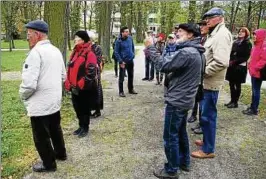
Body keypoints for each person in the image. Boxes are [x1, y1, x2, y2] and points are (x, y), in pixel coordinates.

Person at [145, 23, 205, 179]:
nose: (176, 34)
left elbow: (163, 65)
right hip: (185, 100)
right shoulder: (196, 51)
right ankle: (184, 162)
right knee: (180, 132)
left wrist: (150, 47)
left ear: (191, 35)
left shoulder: (187, 53)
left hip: (177, 101)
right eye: (176, 31)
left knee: (170, 136)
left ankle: (171, 169)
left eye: (180, 31)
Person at [19, 20, 67, 172]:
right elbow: (63, 76)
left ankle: (49, 164)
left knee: (41, 136)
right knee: (55, 128)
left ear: (37, 34)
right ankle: (61, 153)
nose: (27, 38)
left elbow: (29, 85)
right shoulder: (56, 51)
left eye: (29, 34)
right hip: (54, 100)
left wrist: (22, 95)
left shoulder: (36, 53)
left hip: (40, 103)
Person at [191, 7, 233, 159]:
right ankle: (206, 142)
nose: (207, 20)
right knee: (205, 115)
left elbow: (222, 62)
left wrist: (203, 72)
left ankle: (208, 150)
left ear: (220, 18)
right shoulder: (214, 34)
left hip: (210, 82)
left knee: (208, 116)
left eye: (210, 17)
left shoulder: (222, 35)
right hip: (206, 82)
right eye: (206, 18)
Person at [64, 30, 98, 138]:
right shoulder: (75, 52)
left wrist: (81, 84)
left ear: (83, 40)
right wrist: (68, 82)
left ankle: (85, 127)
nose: (75, 40)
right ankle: (80, 126)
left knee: (84, 108)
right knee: (77, 108)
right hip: (74, 87)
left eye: (77, 38)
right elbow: (70, 67)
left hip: (84, 88)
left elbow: (91, 72)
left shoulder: (90, 53)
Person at [189, 20, 209, 135]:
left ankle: (202, 123)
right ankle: (194, 115)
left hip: (204, 74)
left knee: (202, 100)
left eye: (204, 25)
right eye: (200, 25)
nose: (201, 27)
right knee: (196, 97)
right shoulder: (200, 38)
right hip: (198, 73)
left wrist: (205, 71)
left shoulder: (210, 39)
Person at [225, 27, 252, 108]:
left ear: (246, 33)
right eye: (240, 31)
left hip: (240, 67)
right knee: (231, 84)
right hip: (232, 66)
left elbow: (245, 57)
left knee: (237, 84)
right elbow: (232, 53)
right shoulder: (236, 42)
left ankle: (235, 102)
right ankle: (232, 100)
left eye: (243, 32)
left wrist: (235, 61)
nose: (240, 33)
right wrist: (230, 61)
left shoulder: (247, 43)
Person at [242, 29, 266, 115]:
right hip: (252, 72)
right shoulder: (255, 45)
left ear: (260, 36)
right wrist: (249, 64)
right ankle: (252, 106)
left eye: (255, 35)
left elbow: (263, 61)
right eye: (253, 34)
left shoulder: (264, 46)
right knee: (254, 90)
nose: (254, 36)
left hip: (257, 73)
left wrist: (255, 68)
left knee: (256, 91)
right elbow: (252, 57)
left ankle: (254, 109)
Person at [114, 26, 137, 97]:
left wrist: (133, 54)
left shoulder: (130, 38)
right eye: (126, 32)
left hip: (130, 60)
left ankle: (131, 89)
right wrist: (120, 61)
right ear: (122, 32)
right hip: (123, 62)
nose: (128, 33)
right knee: (122, 77)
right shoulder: (118, 41)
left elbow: (132, 47)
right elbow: (116, 52)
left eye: (128, 31)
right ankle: (121, 91)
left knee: (131, 75)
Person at [89, 31, 104, 118]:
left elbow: (97, 60)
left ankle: (97, 110)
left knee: (96, 90)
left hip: (95, 72)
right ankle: (90, 109)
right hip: (88, 72)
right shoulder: (87, 48)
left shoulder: (97, 48)